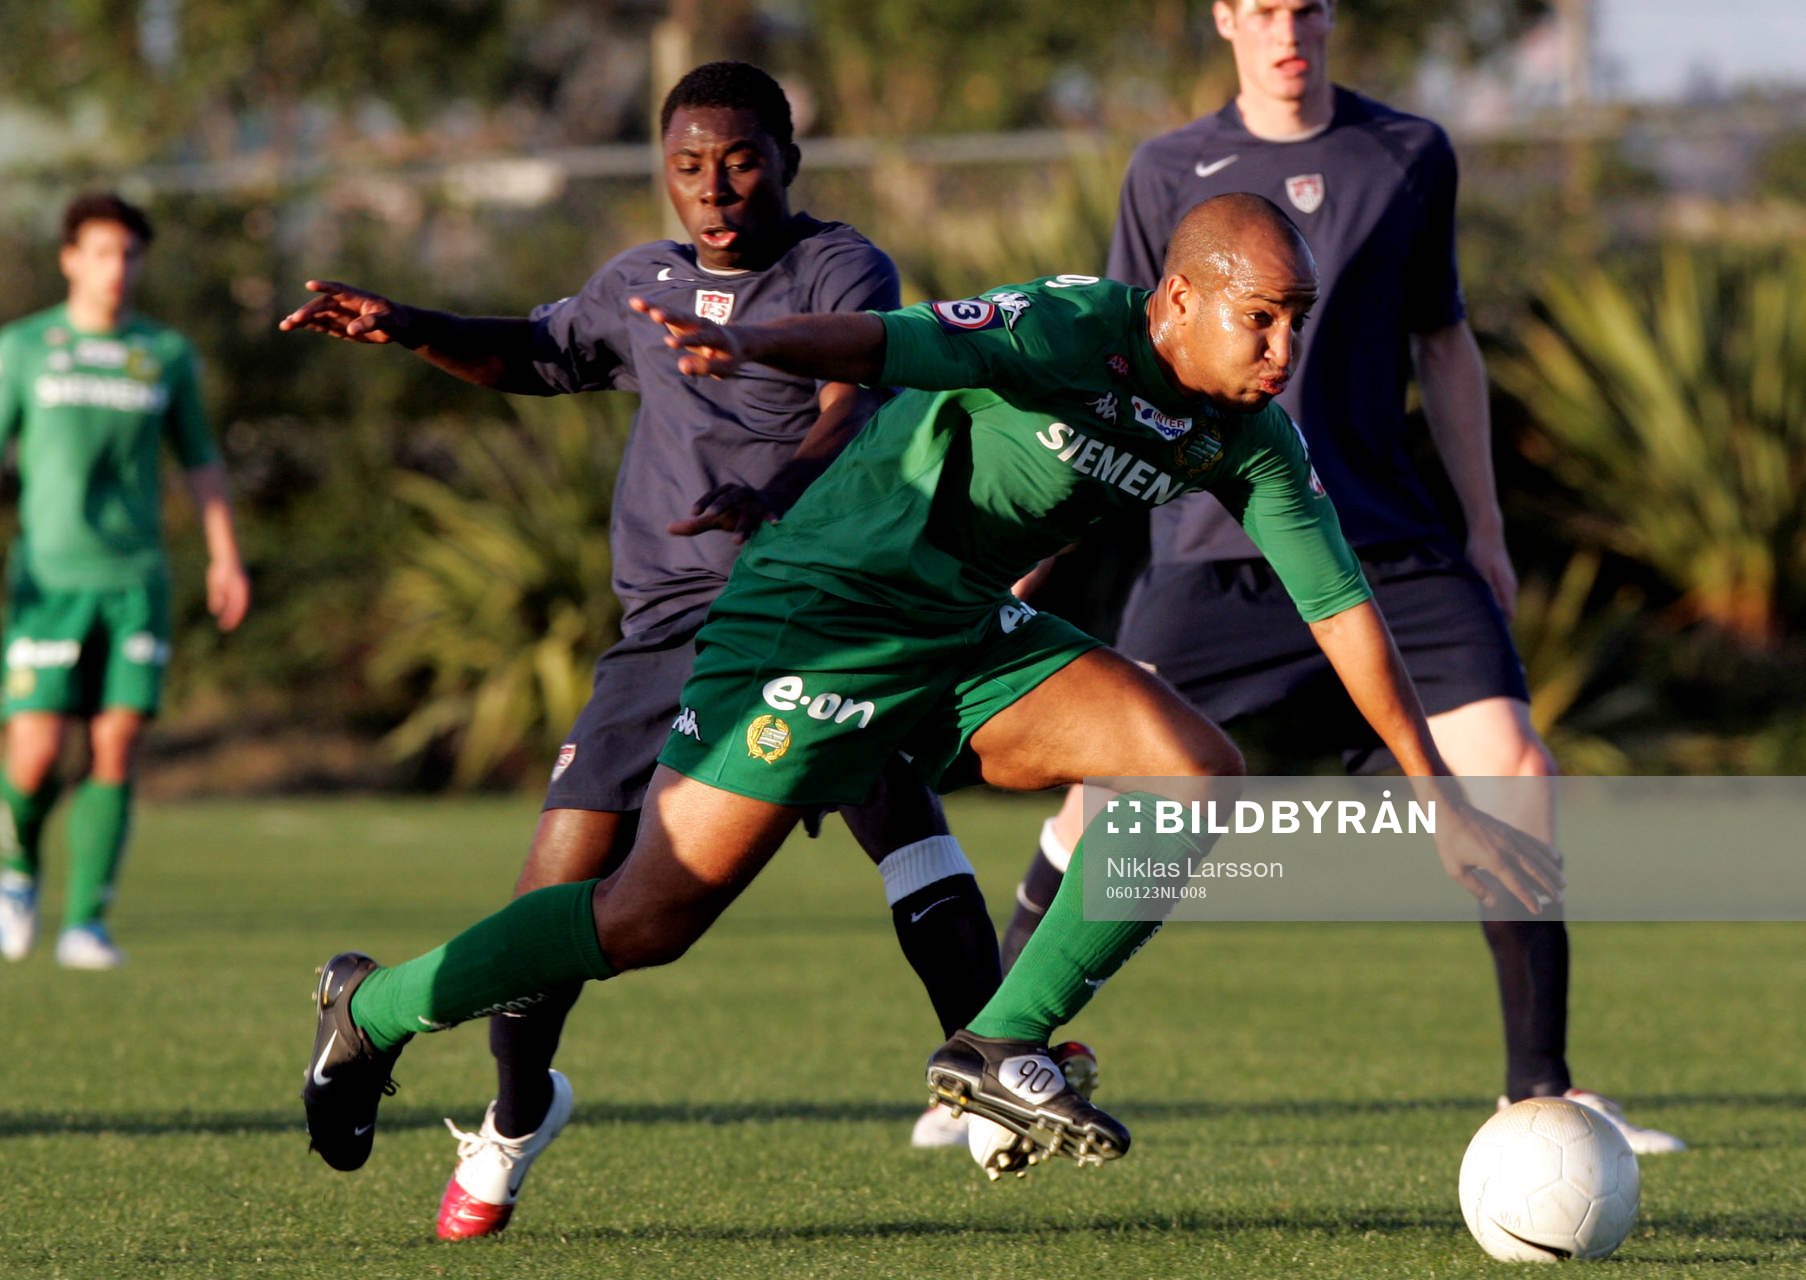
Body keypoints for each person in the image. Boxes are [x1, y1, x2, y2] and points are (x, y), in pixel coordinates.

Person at [296, 192, 1563, 1196]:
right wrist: (750, 343)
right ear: (1180, 299)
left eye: (1299, 320)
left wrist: (1439, 795)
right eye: (1263, 319)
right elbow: (890, 342)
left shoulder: (1250, 436)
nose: (1285, 350)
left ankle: (997, 1040)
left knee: (1193, 770)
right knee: (644, 919)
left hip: (961, 629)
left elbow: (1343, 611)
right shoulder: (1070, 328)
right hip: (819, 614)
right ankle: (376, 1006)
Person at [281, 62, 1009, 1237]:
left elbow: (853, 401)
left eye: (741, 161)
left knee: (901, 815)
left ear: (787, 161)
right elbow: (534, 351)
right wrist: (407, 325)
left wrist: (773, 495)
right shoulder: (640, 282)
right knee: (555, 898)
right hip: (664, 630)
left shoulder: (840, 268)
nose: (714, 188)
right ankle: (515, 1113)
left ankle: (988, 1063)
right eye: (688, 166)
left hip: (807, 610)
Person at [997, 0, 1682, 1155]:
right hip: (1212, 551)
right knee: (1103, 802)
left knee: (1514, 771)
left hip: (1390, 547)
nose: (1287, 29)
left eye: (1306, 6)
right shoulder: (1166, 168)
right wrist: (1039, 547)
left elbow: (1444, 343)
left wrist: (1484, 527)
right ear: (1225, 18)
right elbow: (1116, 364)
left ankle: (1541, 1092)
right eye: (1262, 7)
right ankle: (989, 1055)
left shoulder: (1409, 152)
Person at [0, 192, 249, 971]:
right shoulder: (23, 348)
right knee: (35, 752)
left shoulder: (164, 353)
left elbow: (200, 461)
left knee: (117, 742)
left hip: (135, 579)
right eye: (102, 252)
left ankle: (86, 923)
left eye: (130, 254)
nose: (117, 268)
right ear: (70, 258)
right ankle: (15, 870)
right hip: (49, 580)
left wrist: (225, 555)